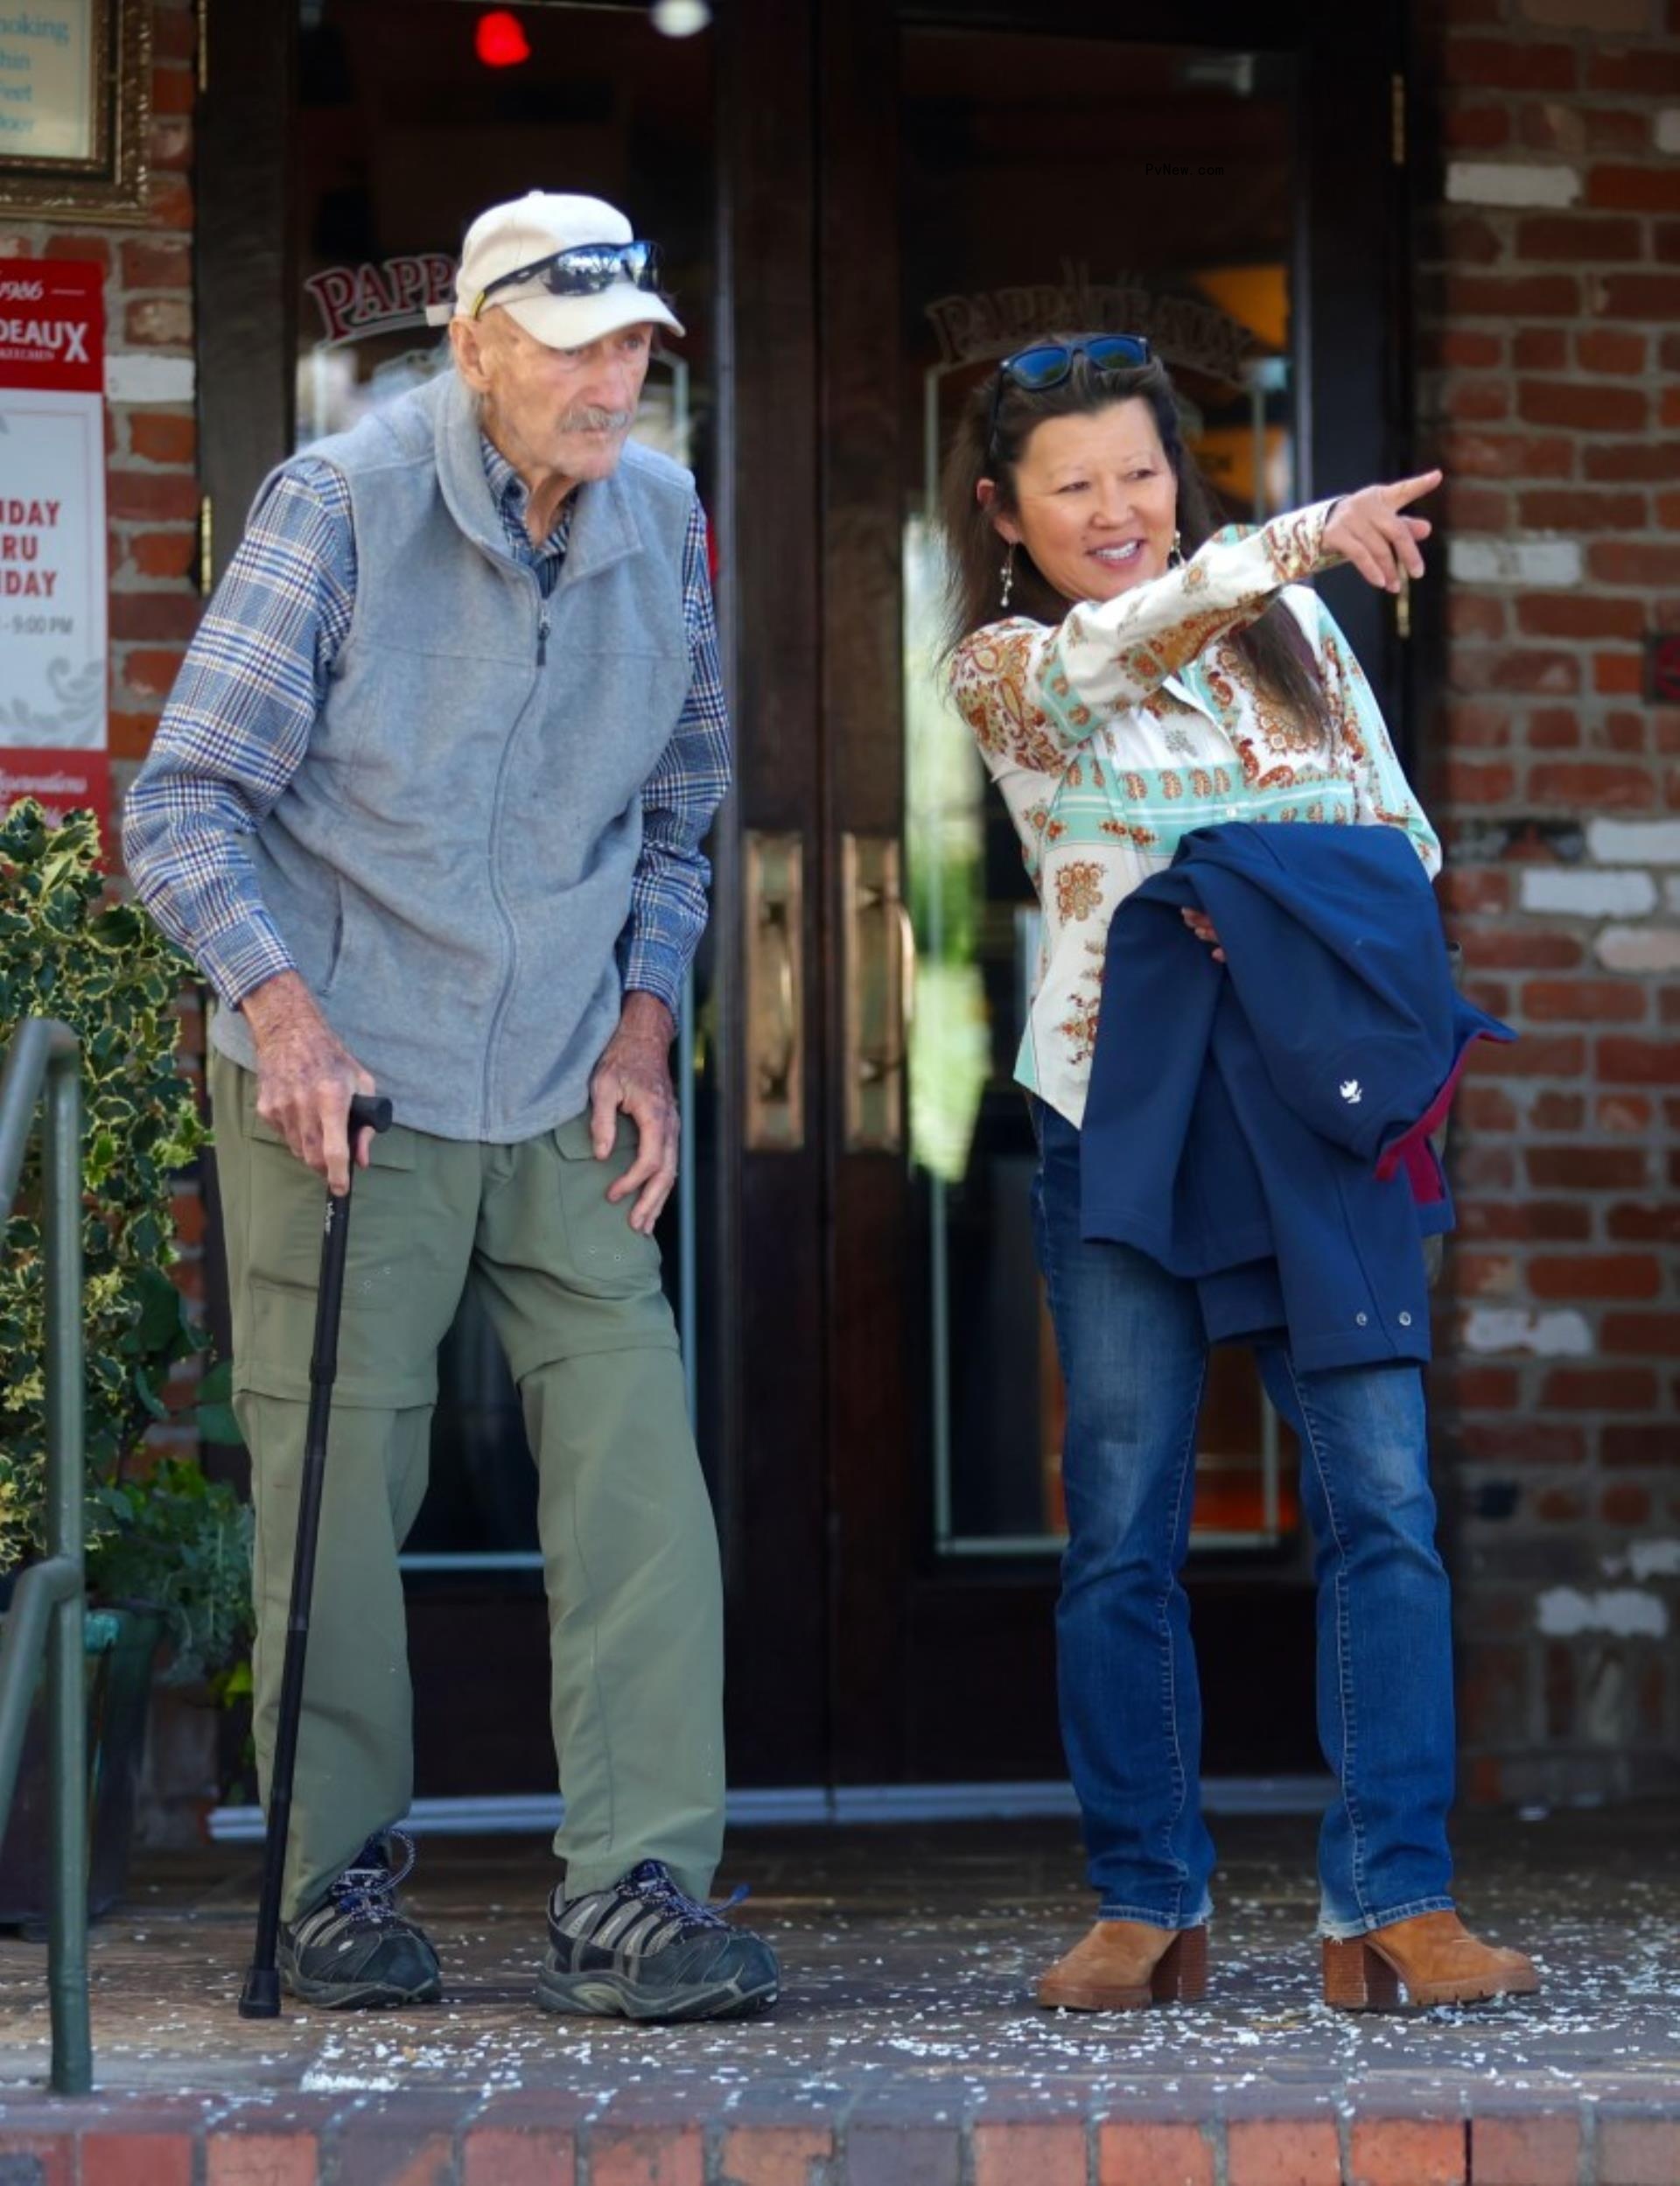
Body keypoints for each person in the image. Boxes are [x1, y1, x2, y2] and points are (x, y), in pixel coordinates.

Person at [124, 191, 778, 2024]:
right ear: (473, 344)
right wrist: (289, 1020)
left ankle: (637, 1888)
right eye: (572, 344)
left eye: (633, 341)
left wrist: (648, 1022)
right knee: (335, 1494)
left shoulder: (663, 517)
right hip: (350, 1074)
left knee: (642, 1469)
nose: (611, 377)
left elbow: (676, 808)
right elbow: (184, 809)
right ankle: (329, 1881)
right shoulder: (337, 502)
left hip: (568, 1070)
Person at [941, 334, 1538, 2014]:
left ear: (1176, 478)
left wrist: (1249, 904)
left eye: (1141, 473)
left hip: (1312, 1113)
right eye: (1073, 485)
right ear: (1009, 513)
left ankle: (1395, 1904)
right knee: (1122, 1522)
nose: (1114, 510)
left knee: (1388, 1501)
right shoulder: (1005, 666)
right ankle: (1147, 1902)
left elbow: (1401, 840)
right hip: (1119, 1117)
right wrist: (1287, 537)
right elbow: (1121, 649)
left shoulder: (1301, 642)